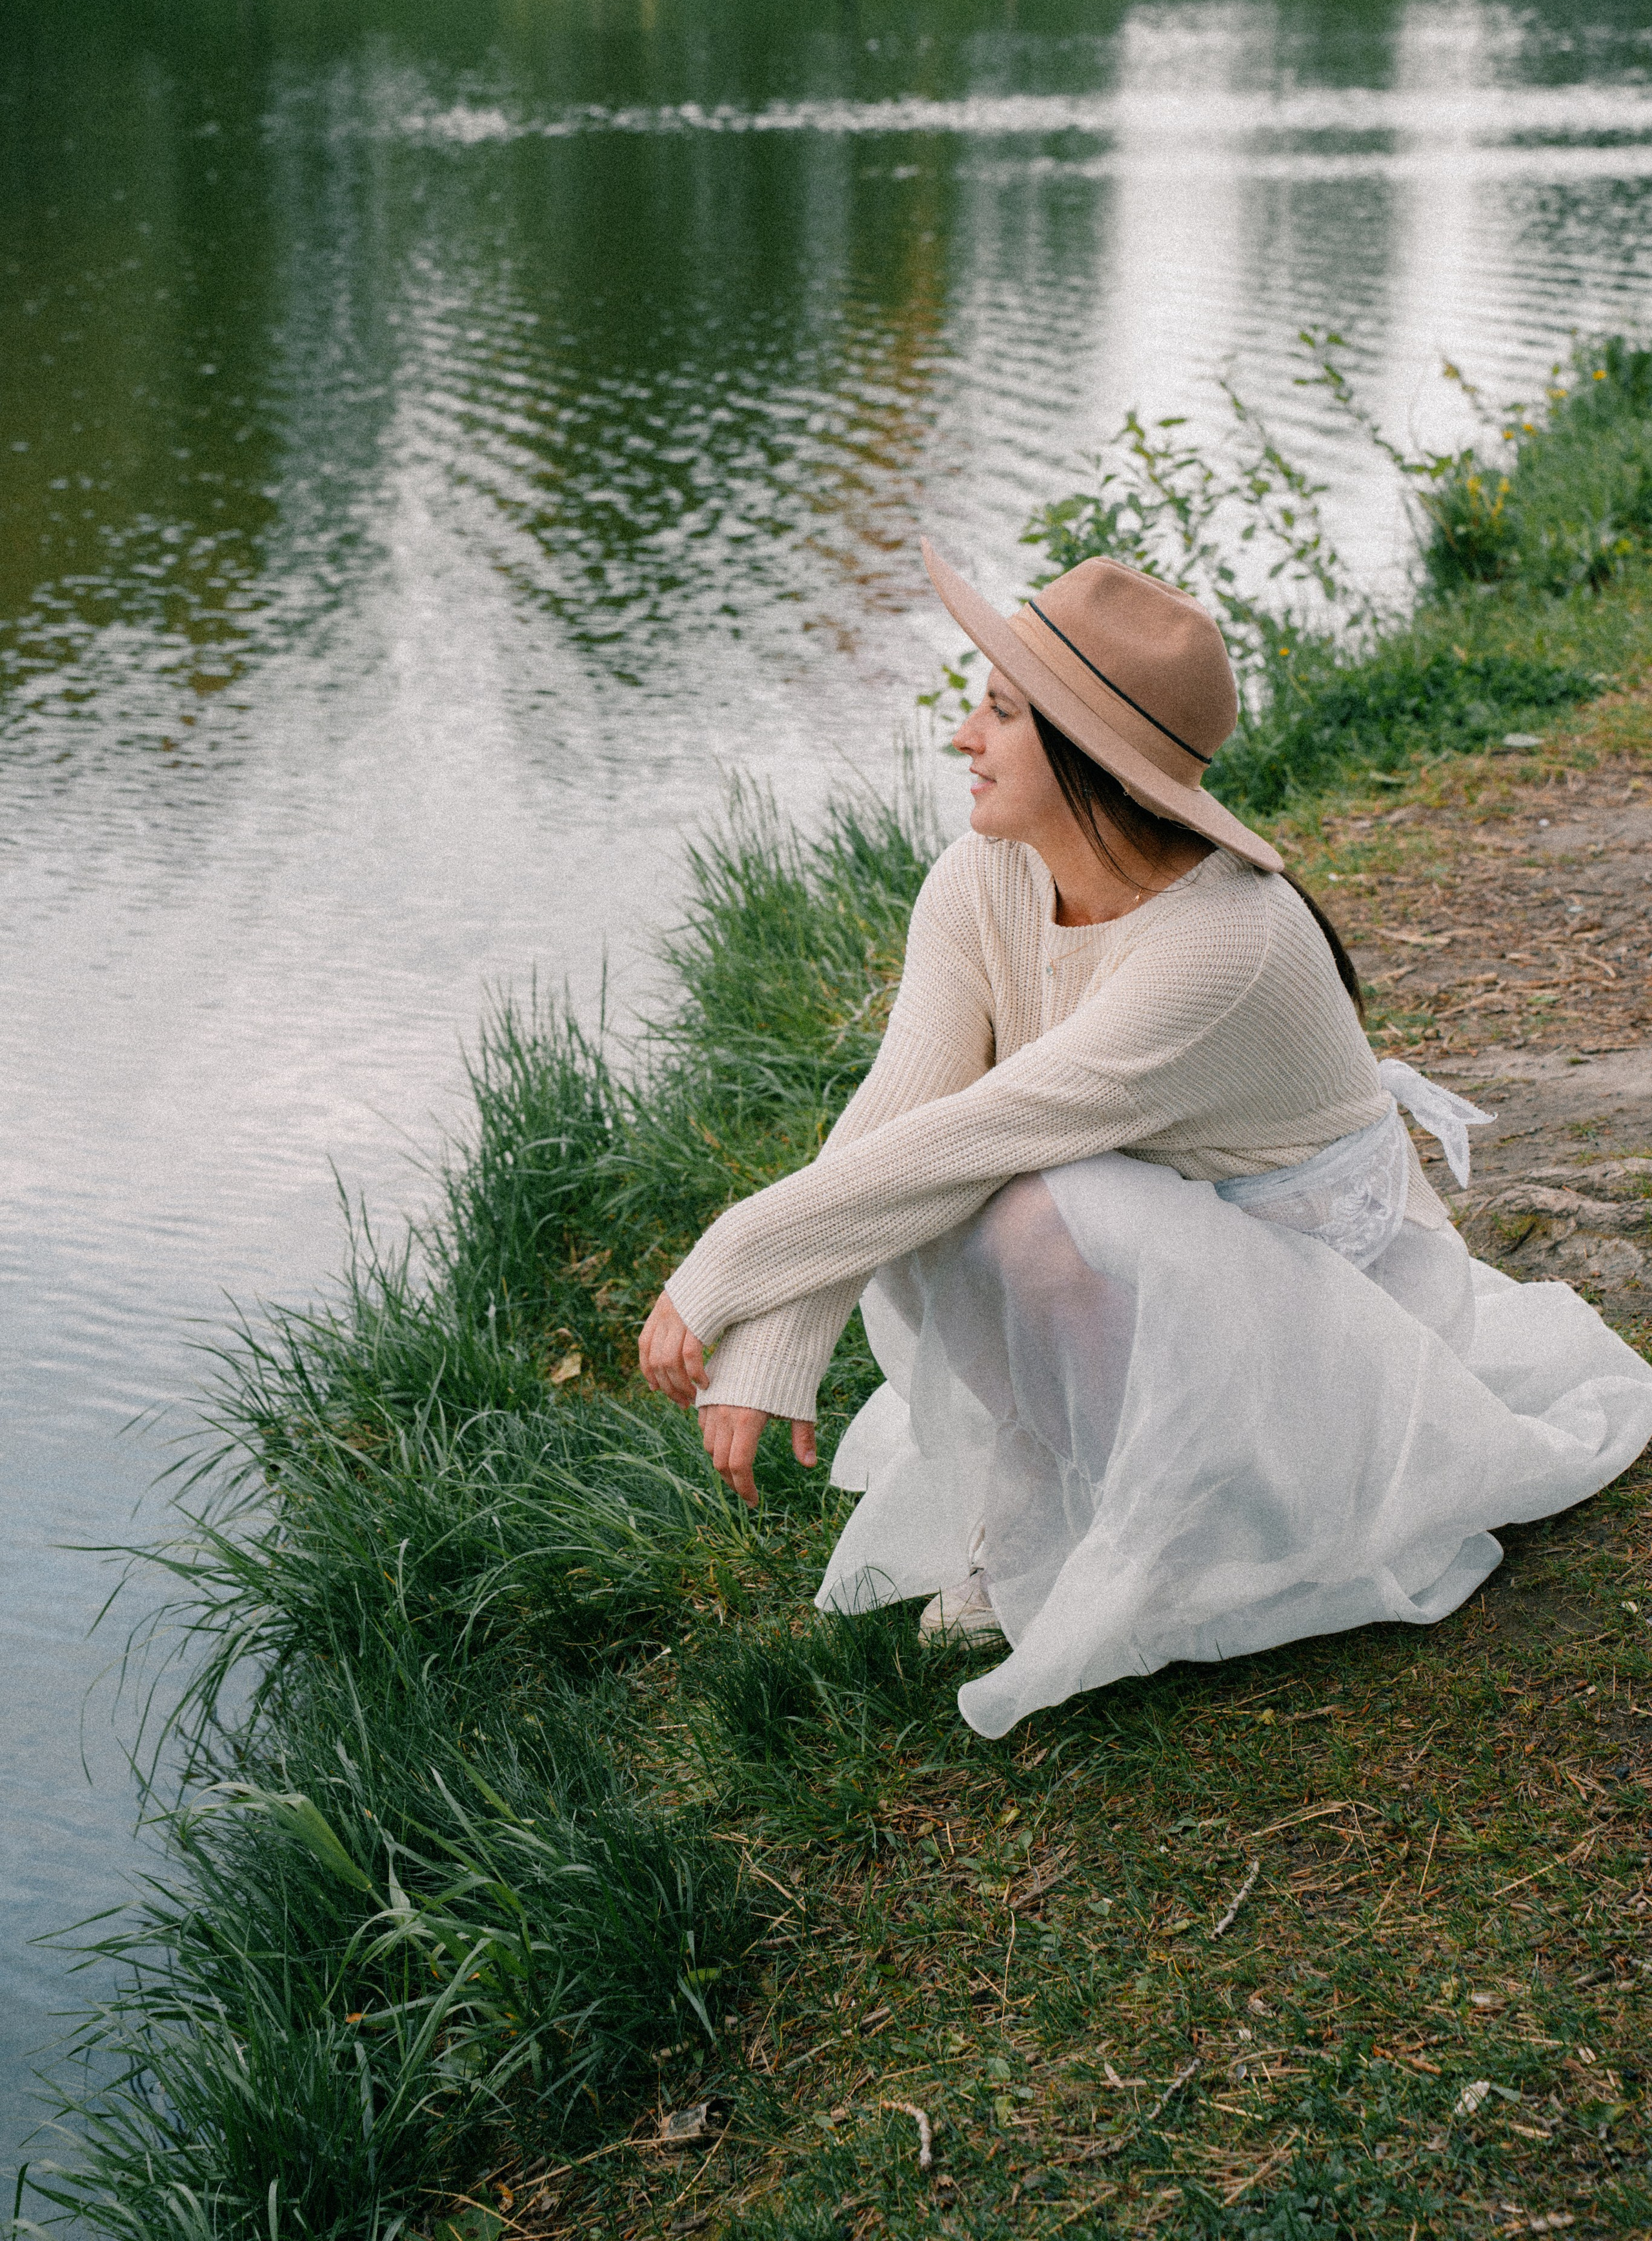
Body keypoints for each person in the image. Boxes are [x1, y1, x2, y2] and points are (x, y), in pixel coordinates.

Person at [639, 543, 1652, 1738]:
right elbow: (898, 1119)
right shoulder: (981, 875)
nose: (964, 736)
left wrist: (722, 1270)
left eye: (1001, 713)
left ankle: (1163, 1542)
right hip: (1162, 1254)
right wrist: (775, 1337)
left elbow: (974, 1139)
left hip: (1327, 1305)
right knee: (986, 1201)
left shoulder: (1225, 945)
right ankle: (1061, 1515)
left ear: (1086, 757)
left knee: (1024, 1209)